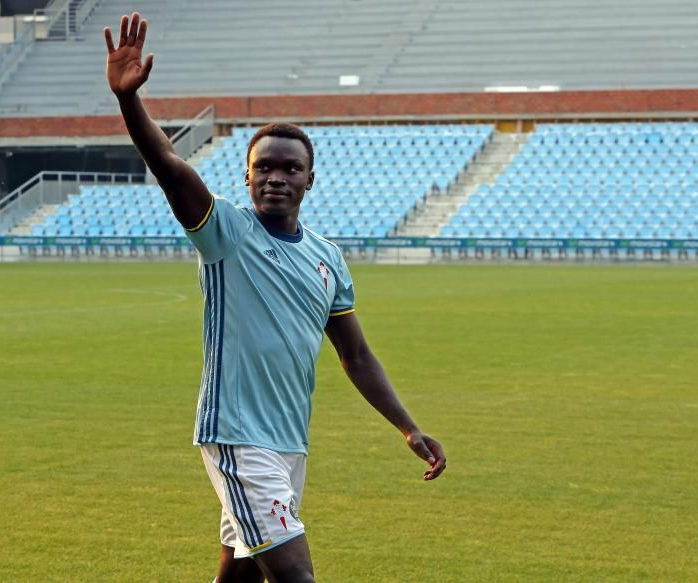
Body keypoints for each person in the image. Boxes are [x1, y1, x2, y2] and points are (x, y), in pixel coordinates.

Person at [104, 11, 447, 582]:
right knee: (295, 576)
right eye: (264, 167)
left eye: (291, 168)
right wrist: (128, 102)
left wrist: (408, 427)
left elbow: (356, 356)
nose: (276, 177)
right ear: (246, 176)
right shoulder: (226, 233)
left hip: (289, 443)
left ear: (310, 179)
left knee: (239, 573)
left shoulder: (328, 258)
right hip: (236, 436)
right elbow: (167, 166)